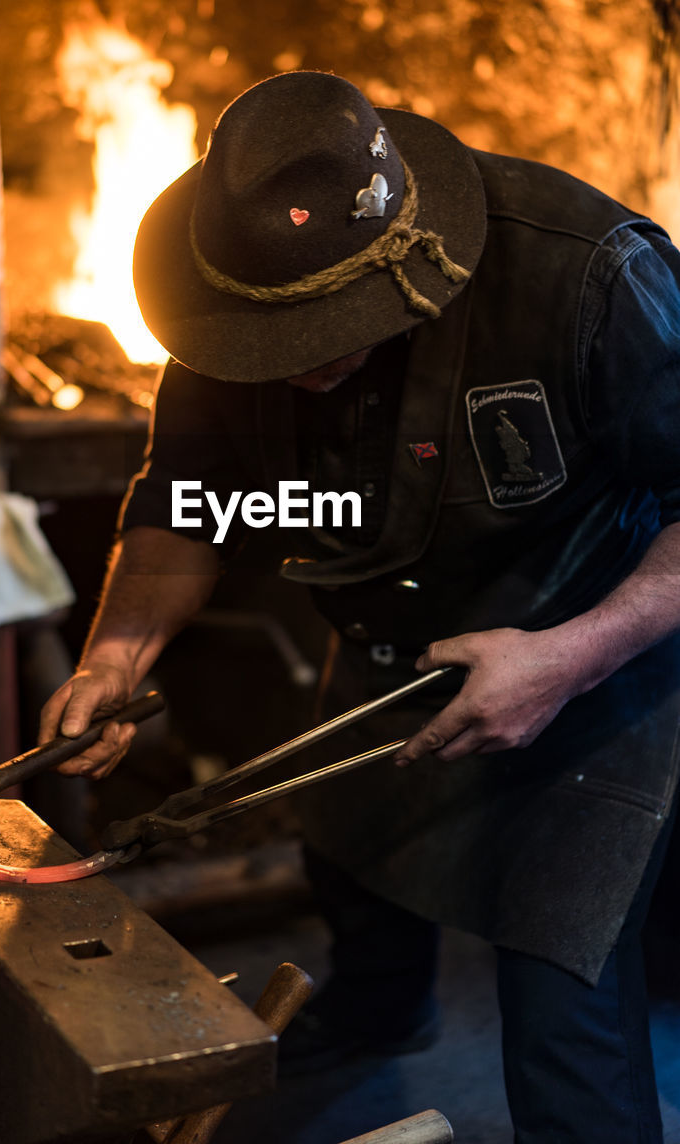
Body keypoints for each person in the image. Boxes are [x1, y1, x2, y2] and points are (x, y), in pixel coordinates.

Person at [39, 70, 680, 1143]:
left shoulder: (585, 270)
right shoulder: (221, 288)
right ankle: (382, 1015)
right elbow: (189, 499)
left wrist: (566, 656)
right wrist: (117, 652)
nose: (293, 365)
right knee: (345, 842)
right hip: (392, 626)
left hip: (599, 635)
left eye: (328, 327)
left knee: (560, 988)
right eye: (267, 341)